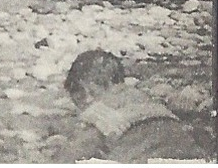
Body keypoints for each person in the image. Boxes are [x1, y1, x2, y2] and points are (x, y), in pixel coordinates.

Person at [50, 49, 204, 161]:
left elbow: (65, 159)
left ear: (85, 91)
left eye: (78, 100)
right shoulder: (144, 98)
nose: (81, 107)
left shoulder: (98, 111)